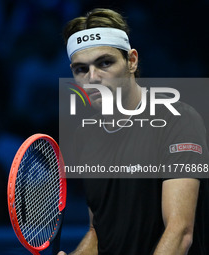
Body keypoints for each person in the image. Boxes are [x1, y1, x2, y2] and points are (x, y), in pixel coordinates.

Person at [58, 8, 209, 255]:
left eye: (104, 63)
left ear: (131, 61)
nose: (92, 78)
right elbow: (99, 232)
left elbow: (180, 232)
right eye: (81, 69)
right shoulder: (84, 136)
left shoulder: (178, 120)